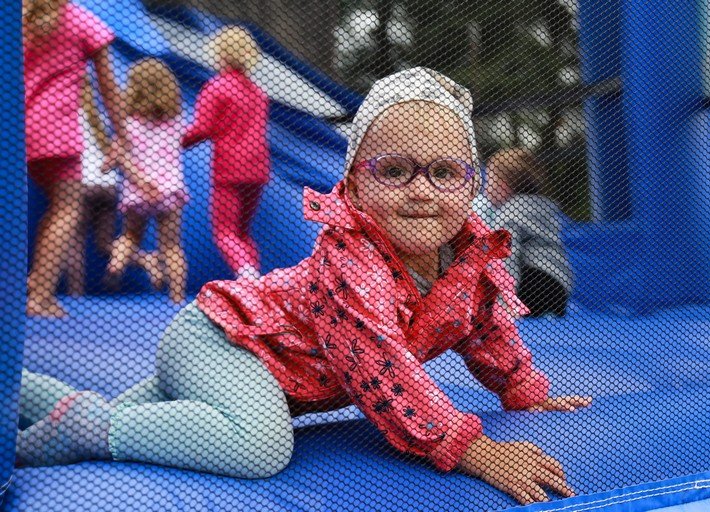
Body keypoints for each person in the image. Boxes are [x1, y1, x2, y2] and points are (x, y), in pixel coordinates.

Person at [16, 68, 591, 506]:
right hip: (224, 342)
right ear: (355, 185)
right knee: (260, 446)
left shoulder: (468, 259)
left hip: (253, 374)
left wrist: (523, 390)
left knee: (146, 416)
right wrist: (476, 451)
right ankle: (93, 431)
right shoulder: (352, 261)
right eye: (394, 171)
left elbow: (486, 327)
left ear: (472, 187)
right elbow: (381, 366)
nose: (421, 190)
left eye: (444, 173)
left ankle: (19, 391)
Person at [23, 0, 123, 317]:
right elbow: (108, 86)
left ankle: (36, 284)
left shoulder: (20, 19)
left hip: (20, 127)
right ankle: (39, 297)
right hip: (57, 129)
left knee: (57, 207)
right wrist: (122, 135)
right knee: (68, 208)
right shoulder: (79, 19)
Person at [182, 26, 270, 280]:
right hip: (258, 168)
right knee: (242, 232)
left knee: (224, 232)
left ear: (220, 54)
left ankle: (248, 275)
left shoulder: (217, 87)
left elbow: (202, 128)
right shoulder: (257, 92)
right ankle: (256, 282)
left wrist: (169, 141)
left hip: (230, 167)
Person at [107, 59, 189, 304]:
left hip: (137, 193)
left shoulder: (127, 125)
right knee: (171, 246)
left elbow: (118, 156)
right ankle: (177, 296)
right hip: (169, 190)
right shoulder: (176, 122)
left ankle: (116, 264)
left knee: (130, 236)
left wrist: (137, 177)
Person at [484, 148, 574, 317]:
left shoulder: (509, 211)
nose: (486, 190)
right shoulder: (541, 206)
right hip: (560, 286)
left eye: (489, 182)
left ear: (503, 186)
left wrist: (505, 304)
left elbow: (508, 256)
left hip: (535, 284)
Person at [65, 78, 119, 297]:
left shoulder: (69, 116)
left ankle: (75, 294)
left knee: (76, 241)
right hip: (109, 186)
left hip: (83, 185)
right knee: (104, 244)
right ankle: (144, 259)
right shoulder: (100, 117)